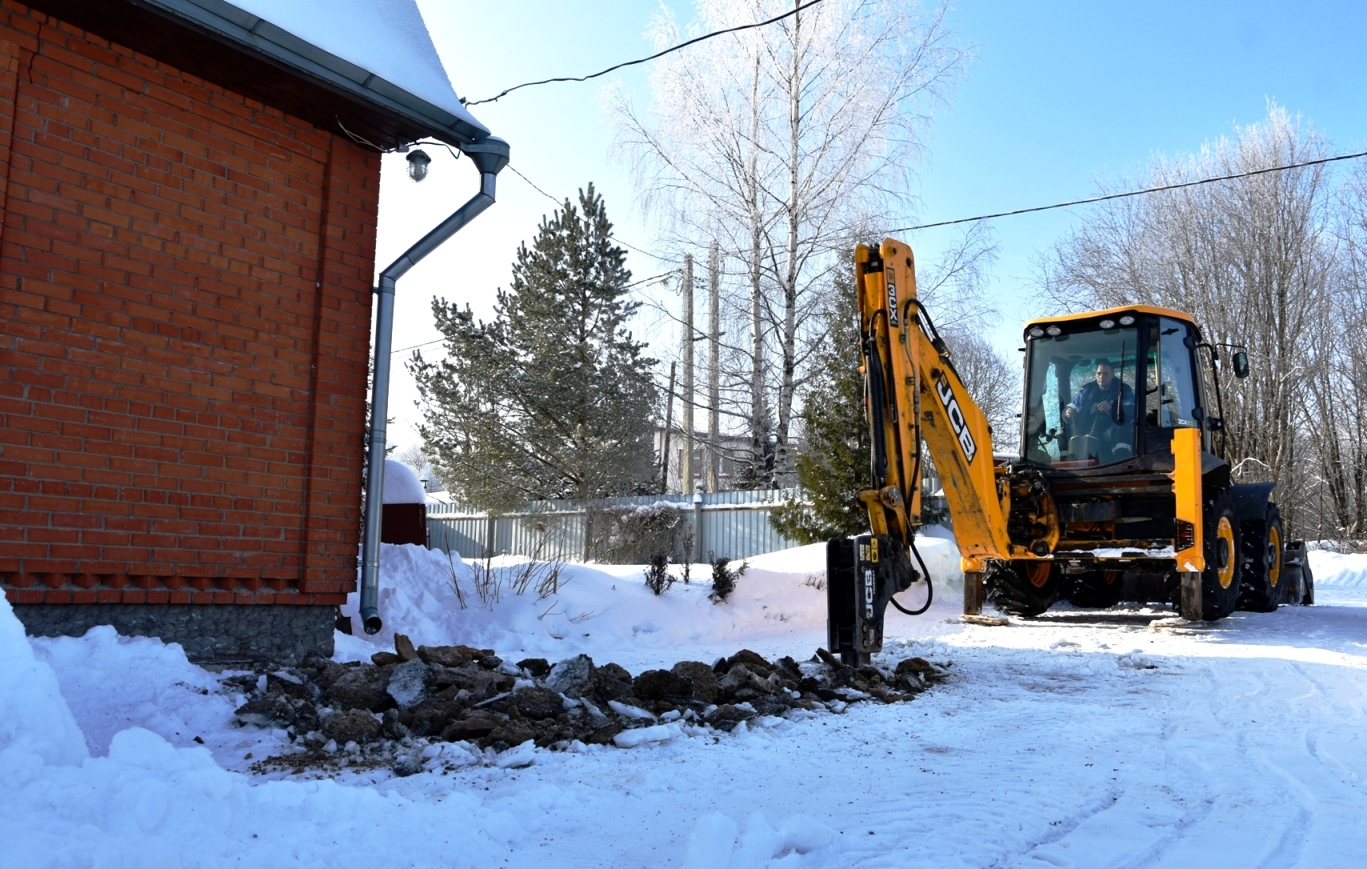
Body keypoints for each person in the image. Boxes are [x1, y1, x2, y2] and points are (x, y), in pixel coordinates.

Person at [1063, 359, 1135, 438]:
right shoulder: (1087, 391)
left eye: (1105, 374)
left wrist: (1113, 407)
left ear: (1113, 374)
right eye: (1099, 373)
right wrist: (1068, 412)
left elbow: (1134, 409)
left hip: (1113, 437)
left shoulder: (1124, 390)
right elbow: (1073, 406)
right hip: (1084, 436)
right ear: (1095, 375)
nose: (1101, 376)